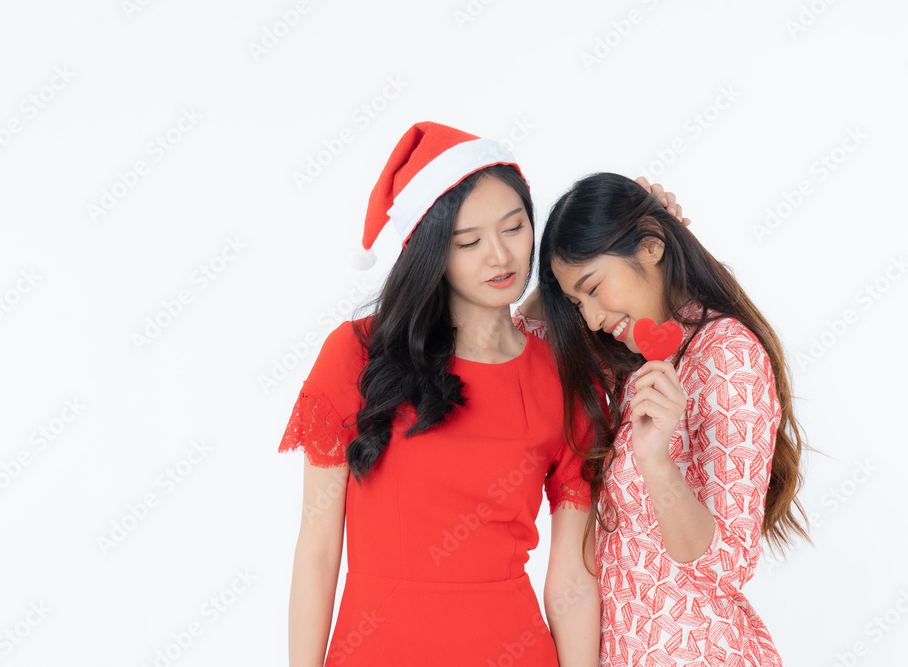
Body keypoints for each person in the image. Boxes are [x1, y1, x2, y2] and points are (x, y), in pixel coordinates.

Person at [279, 122, 604, 666]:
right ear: (432, 251)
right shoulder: (358, 355)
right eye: (468, 242)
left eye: (515, 228)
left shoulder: (564, 377)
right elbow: (317, 550)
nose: (499, 256)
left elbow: (572, 581)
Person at [514, 172, 810, 665]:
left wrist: (658, 464)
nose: (589, 318)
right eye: (575, 302)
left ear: (651, 247)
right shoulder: (625, 359)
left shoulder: (727, 354)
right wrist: (558, 278)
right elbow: (520, 334)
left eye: (593, 288)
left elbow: (725, 568)